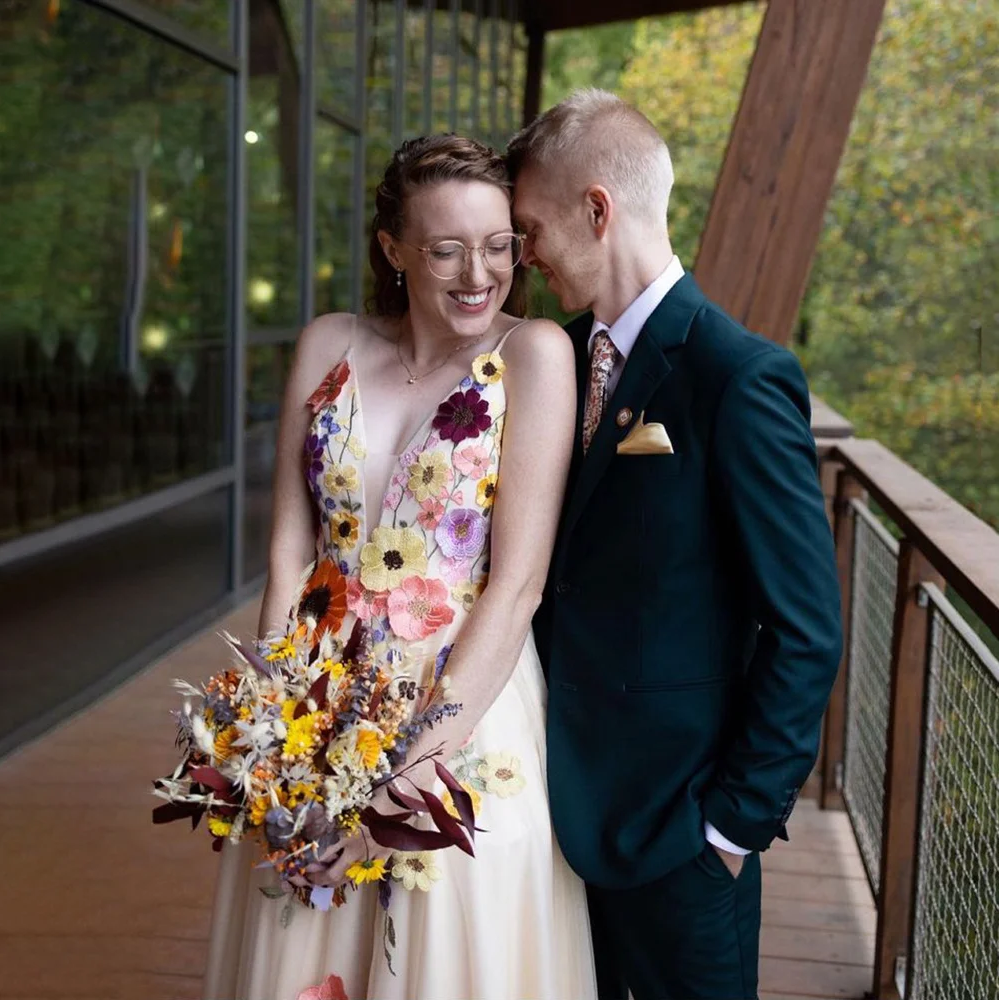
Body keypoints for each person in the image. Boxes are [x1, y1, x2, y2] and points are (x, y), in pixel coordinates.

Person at [200, 134, 598, 1000]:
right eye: (446, 249)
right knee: (302, 919)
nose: (477, 274)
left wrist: (420, 763)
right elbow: (287, 549)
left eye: (498, 247)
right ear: (393, 250)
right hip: (317, 693)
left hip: (460, 701)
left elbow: (520, 581)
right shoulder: (327, 343)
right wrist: (269, 728)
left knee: (445, 951)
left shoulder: (534, 354)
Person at [511, 89, 843, 1000]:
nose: (522, 255)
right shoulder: (553, 359)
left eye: (530, 227)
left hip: (678, 840)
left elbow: (807, 631)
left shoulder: (736, 377)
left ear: (596, 209)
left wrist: (728, 832)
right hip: (549, 821)